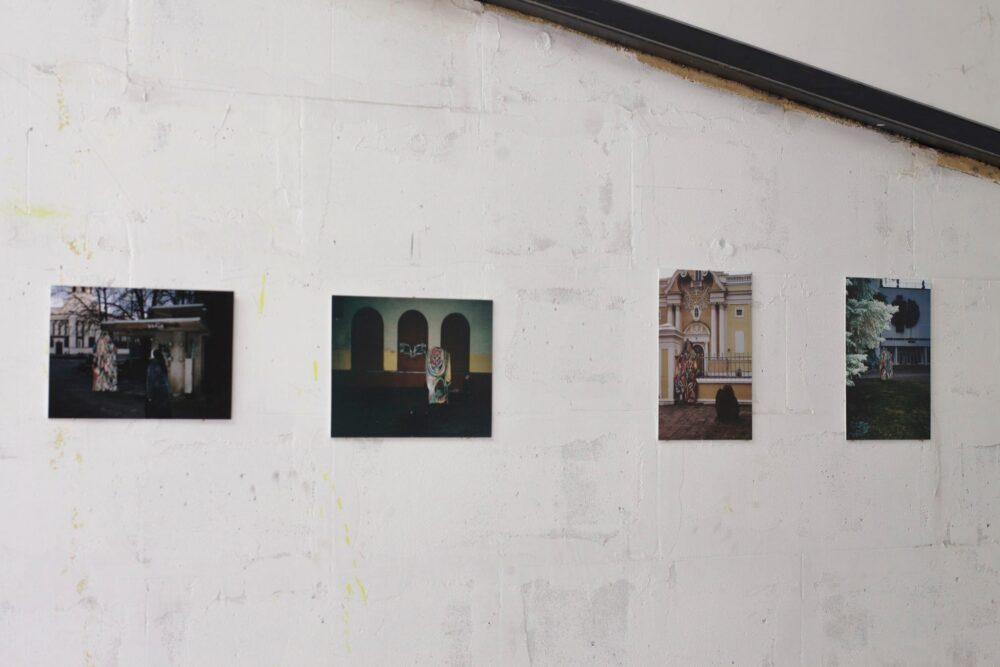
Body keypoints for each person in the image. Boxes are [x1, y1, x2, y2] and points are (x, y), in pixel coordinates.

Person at [145, 349, 172, 418]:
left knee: (155, 413)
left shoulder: (152, 366)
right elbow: (166, 381)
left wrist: (149, 395)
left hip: (156, 392)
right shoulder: (163, 364)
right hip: (164, 393)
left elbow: (150, 381)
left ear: (153, 356)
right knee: (164, 413)